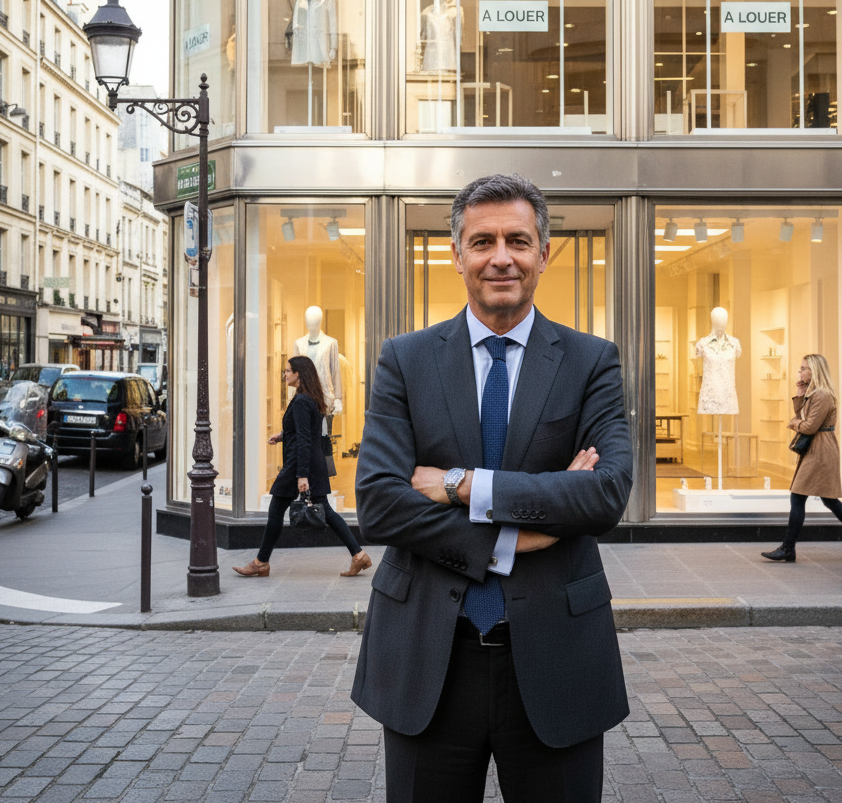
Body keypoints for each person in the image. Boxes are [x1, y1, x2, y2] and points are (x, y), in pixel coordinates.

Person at [351, 173, 633, 803]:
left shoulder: (592, 361)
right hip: (430, 656)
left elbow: (606, 494)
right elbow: (378, 504)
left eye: (517, 240)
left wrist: (460, 485)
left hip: (558, 659)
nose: (500, 257)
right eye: (482, 242)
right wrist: (509, 541)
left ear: (543, 253)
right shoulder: (406, 359)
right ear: (457, 255)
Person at [233, 355, 371, 579]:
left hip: (299, 464)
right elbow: (305, 431)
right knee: (326, 511)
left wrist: (301, 476)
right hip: (310, 463)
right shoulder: (308, 398)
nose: (285, 374)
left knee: (276, 509)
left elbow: (306, 439)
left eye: (288, 371)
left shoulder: (301, 401)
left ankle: (261, 562)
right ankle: (359, 555)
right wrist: (283, 435)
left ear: (299, 374)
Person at [761, 354, 842, 562]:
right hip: (815, 449)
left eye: (804, 368)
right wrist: (799, 394)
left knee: (800, 496)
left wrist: (793, 423)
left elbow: (808, 425)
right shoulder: (813, 394)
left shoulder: (822, 395)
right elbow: (801, 416)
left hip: (821, 450)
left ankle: (788, 548)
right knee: (829, 500)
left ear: (815, 371)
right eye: (801, 368)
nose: (800, 372)